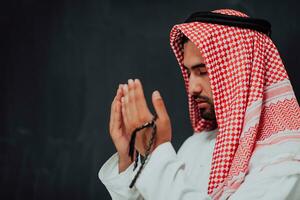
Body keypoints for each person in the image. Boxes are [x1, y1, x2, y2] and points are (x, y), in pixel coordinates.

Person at [99, 9, 300, 199]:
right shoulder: (194, 145)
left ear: (241, 71)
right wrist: (130, 157)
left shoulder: (287, 159)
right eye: (189, 73)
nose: (192, 87)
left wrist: (157, 152)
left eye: (203, 71)